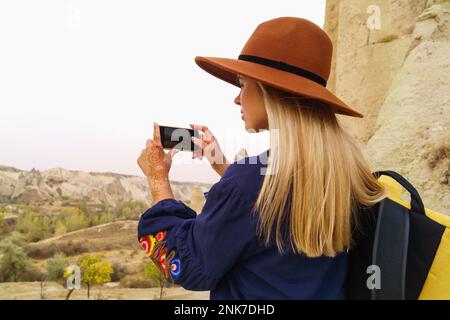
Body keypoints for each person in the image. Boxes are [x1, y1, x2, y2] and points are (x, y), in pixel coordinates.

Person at [136, 17, 387, 299]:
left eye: (243, 84)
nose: (237, 98)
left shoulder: (249, 180)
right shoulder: (348, 170)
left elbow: (188, 266)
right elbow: (269, 209)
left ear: (271, 92)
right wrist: (223, 165)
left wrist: (158, 181)